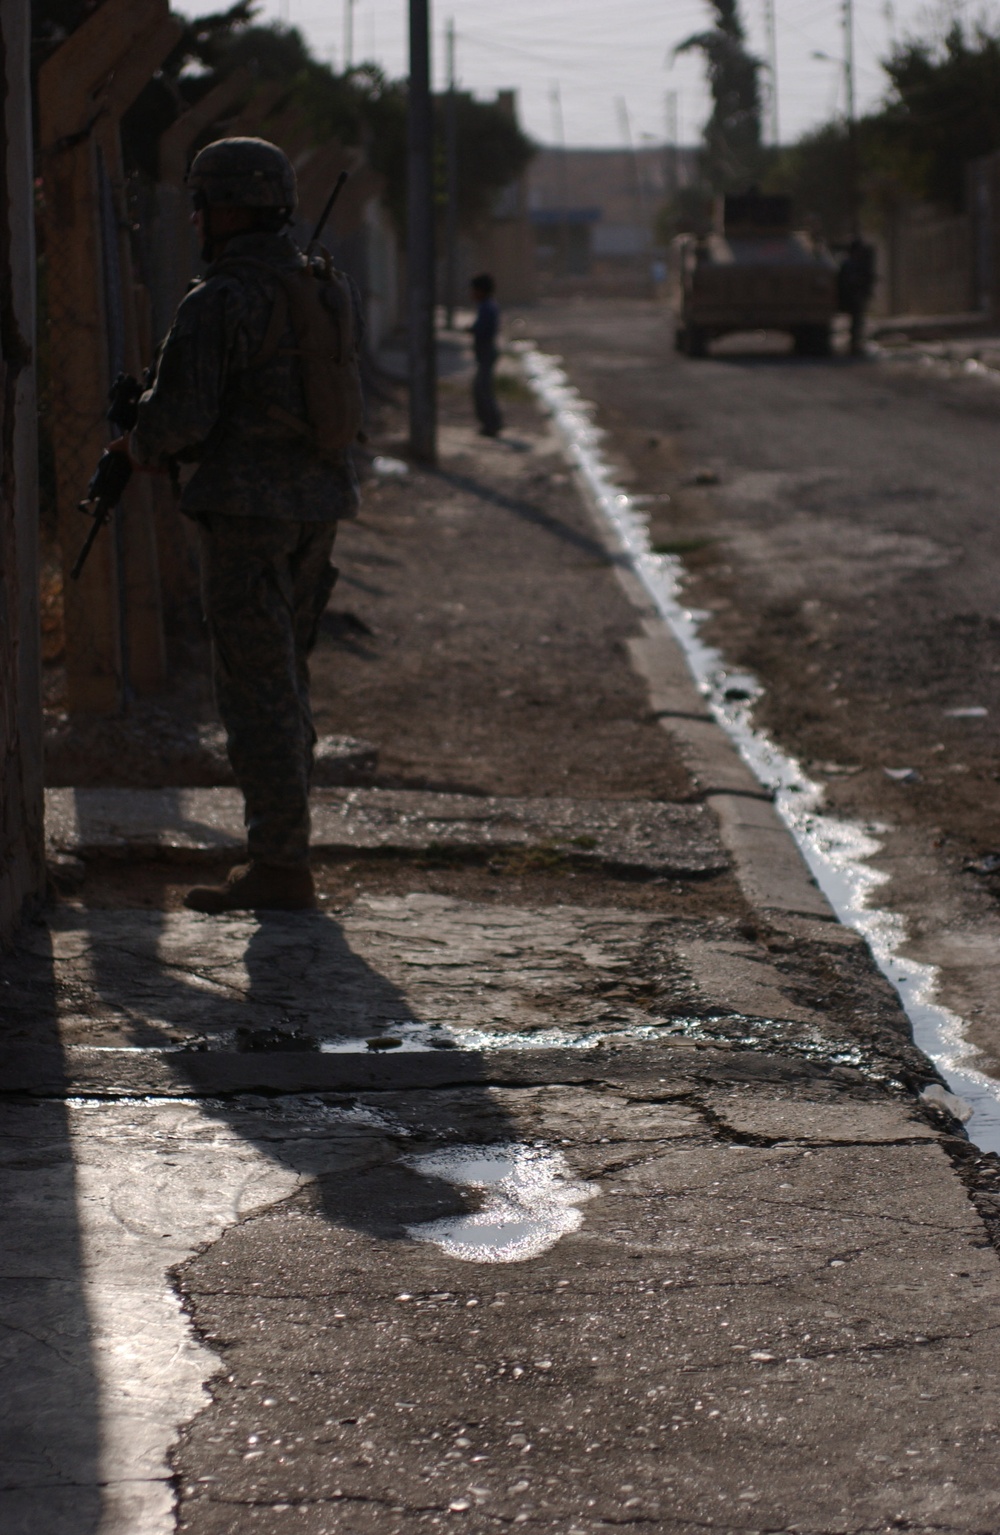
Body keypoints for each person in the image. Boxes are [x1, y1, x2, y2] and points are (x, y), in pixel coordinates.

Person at [113, 137, 364, 912]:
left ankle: (280, 865)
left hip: (248, 515)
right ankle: (283, 849)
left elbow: (181, 419)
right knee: (286, 678)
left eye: (201, 203)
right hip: (316, 506)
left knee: (256, 690)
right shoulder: (321, 283)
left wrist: (135, 437)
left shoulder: (221, 297)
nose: (194, 218)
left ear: (225, 207)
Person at [468, 272, 503, 437]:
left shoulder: (487, 307)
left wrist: (473, 330)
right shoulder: (486, 306)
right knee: (481, 389)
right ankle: (490, 424)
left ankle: (493, 424)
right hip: (485, 354)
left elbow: (483, 330)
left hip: (487, 353)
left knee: (482, 390)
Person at [837, 236, 877, 357]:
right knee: (856, 323)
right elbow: (844, 281)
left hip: (856, 296)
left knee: (857, 323)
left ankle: (855, 344)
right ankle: (854, 345)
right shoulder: (848, 264)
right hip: (851, 297)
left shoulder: (858, 263)